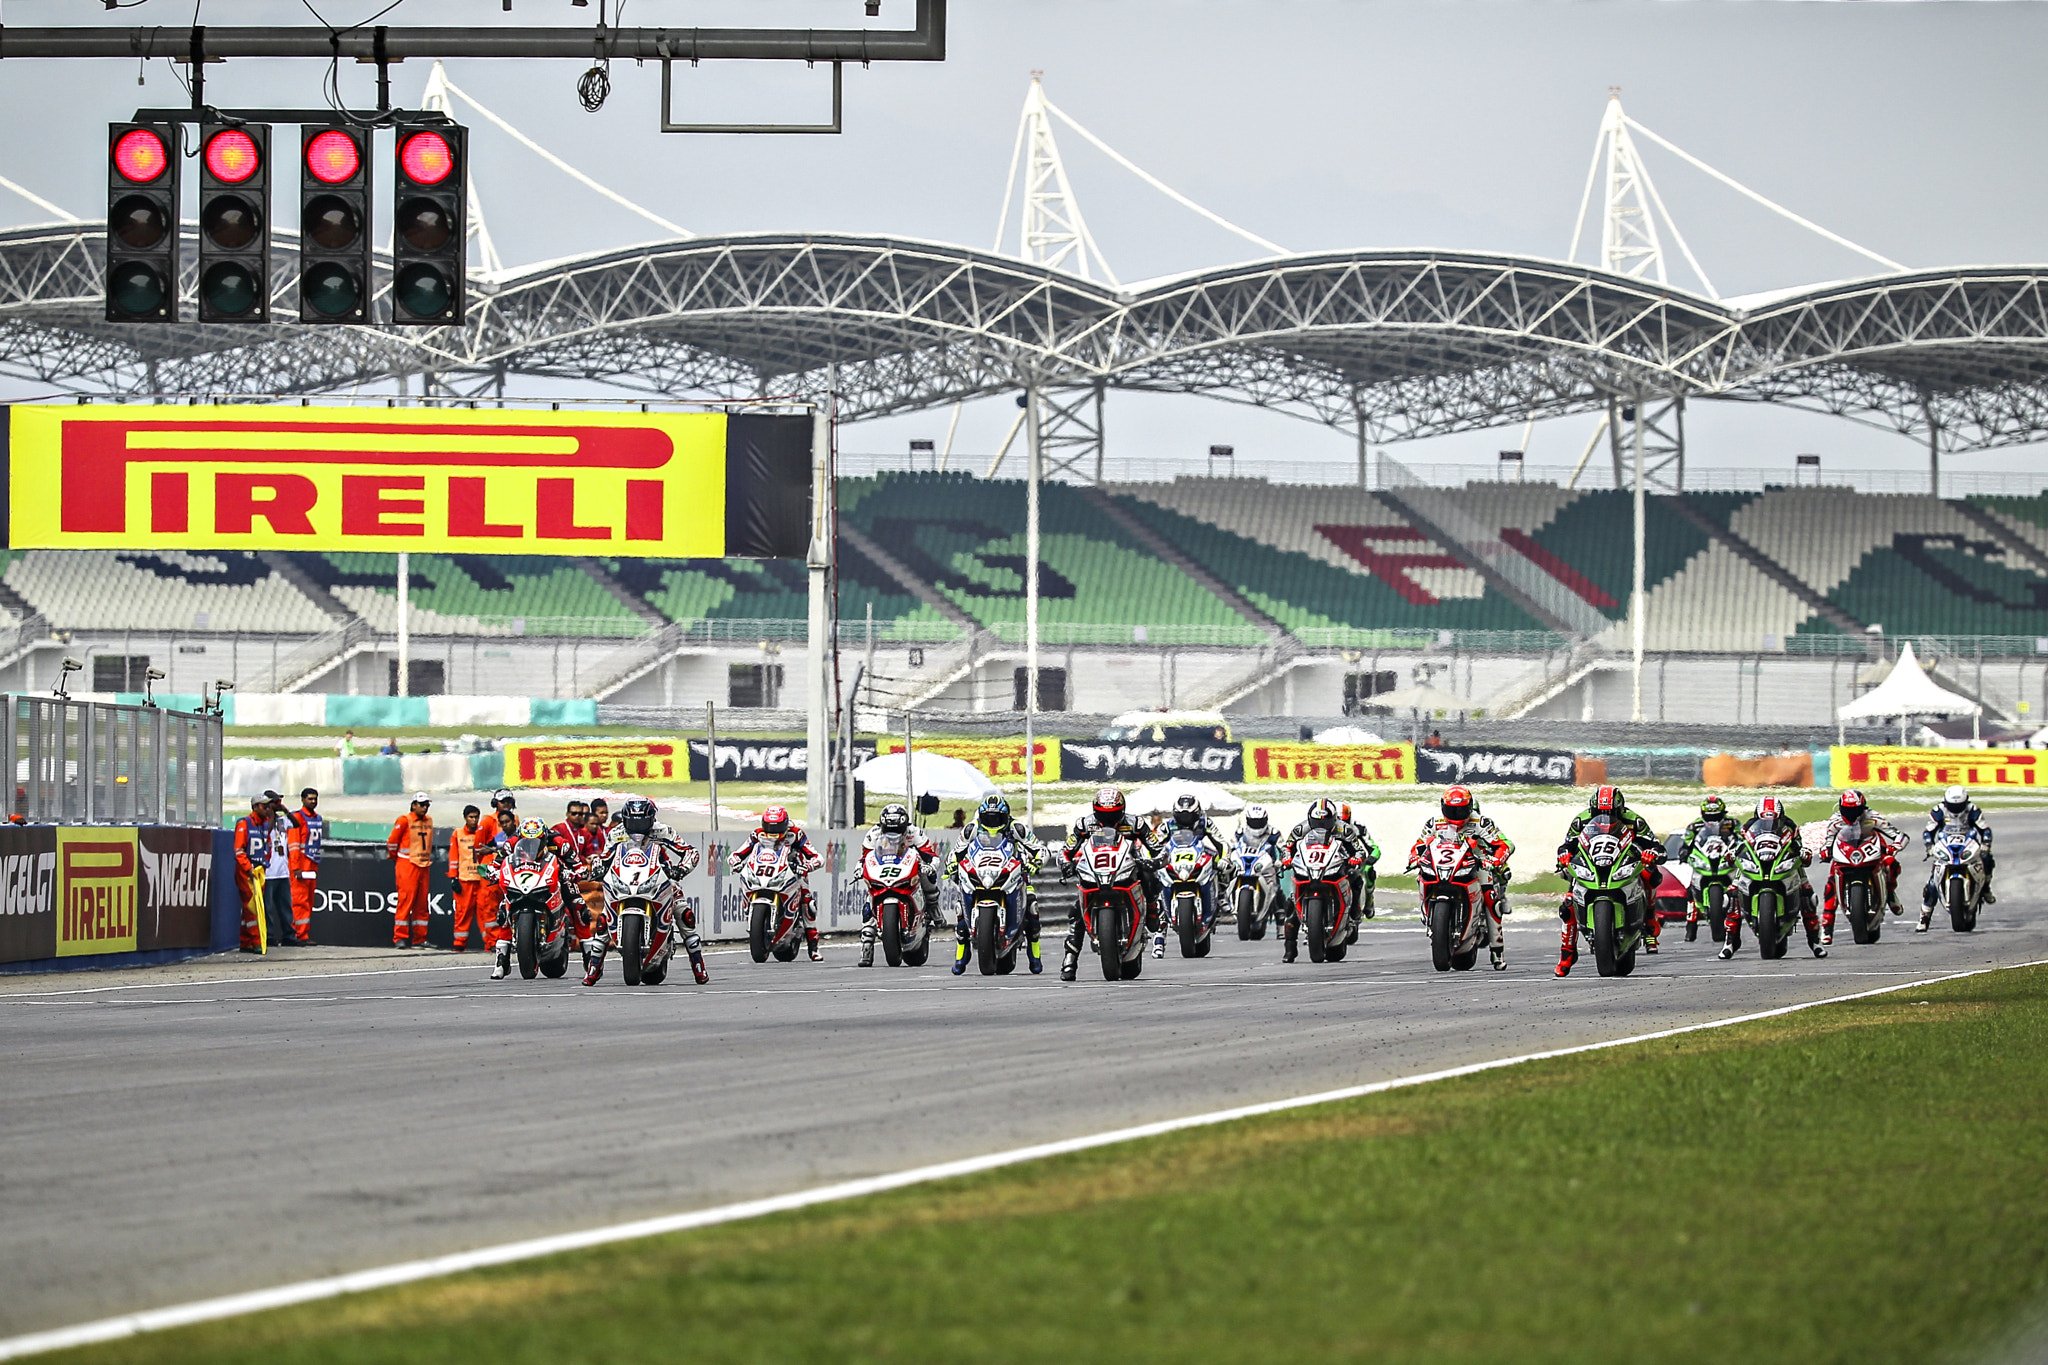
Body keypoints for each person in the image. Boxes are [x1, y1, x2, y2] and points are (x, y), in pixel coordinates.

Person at [585, 797, 706, 986]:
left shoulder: (663, 830)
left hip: (659, 875)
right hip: (625, 878)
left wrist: (681, 869)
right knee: (603, 920)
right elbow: (604, 857)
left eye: (641, 821)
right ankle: (594, 969)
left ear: (651, 819)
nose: (637, 826)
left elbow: (690, 852)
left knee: (684, 914)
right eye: (632, 821)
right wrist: (598, 868)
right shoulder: (616, 833)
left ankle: (698, 966)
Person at [1554, 786, 1663, 977]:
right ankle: (1567, 953)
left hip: (1624, 859)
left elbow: (1654, 843)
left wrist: (1651, 853)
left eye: (1610, 812)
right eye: (1600, 812)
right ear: (1592, 809)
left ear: (1620, 809)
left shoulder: (1634, 820)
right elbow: (1567, 844)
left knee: (1649, 874)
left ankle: (1650, 918)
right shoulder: (1581, 820)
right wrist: (1564, 855)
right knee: (1568, 904)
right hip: (1592, 862)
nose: (1605, 816)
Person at [1056, 787, 1161, 981]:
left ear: (1121, 810)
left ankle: (1153, 908)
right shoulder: (1084, 824)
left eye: (1113, 814)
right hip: (1096, 870)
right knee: (1076, 911)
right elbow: (1066, 850)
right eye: (1104, 814)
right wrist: (1066, 864)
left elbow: (1157, 847)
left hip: (1128, 866)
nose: (1109, 818)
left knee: (1149, 875)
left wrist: (1154, 860)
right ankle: (1070, 959)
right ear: (1096, 811)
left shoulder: (1136, 822)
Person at [1407, 785, 1507, 969]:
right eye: (1451, 809)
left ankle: (1497, 951)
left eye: (1461, 809)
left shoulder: (1481, 822)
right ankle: (1428, 915)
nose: (1456, 813)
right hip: (1444, 865)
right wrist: (1414, 857)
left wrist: (1495, 860)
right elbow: (1419, 844)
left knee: (1491, 897)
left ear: (1469, 807)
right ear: (1443, 807)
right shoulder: (1434, 823)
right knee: (1421, 877)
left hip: (1476, 865)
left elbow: (1505, 844)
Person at [947, 794, 1047, 973]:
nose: (992, 821)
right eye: (988, 817)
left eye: (997, 817)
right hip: (981, 872)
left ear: (1006, 816)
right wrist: (952, 864)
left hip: (1014, 874)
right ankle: (962, 953)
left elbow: (1040, 849)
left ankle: (1035, 956)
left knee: (1032, 905)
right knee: (960, 907)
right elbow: (956, 851)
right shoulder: (972, 828)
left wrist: (1036, 863)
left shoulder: (1016, 827)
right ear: (981, 815)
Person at [1717, 795, 1824, 960]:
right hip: (1756, 861)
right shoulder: (1748, 827)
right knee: (1732, 893)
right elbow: (1740, 845)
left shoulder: (1790, 826)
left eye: (1773, 819)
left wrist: (1802, 852)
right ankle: (1731, 941)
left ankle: (1815, 942)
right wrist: (1732, 853)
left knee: (1807, 894)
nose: (1769, 823)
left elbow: (1798, 844)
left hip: (1782, 862)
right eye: (1765, 819)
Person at [1274, 798, 1369, 964]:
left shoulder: (1345, 829)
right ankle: (1290, 947)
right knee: (1290, 902)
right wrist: (1286, 858)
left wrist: (1355, 859)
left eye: (1325, 821)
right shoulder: (1300, 829)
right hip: (1309, 866)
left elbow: (1359, 850)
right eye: (1317, 821)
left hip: (1338, 864)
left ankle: (1354, 914)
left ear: (1333, 819)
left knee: (1356, 879)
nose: (1321, 825)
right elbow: (1286, 847)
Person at [729, 805, 825, 960]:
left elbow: (816, 856)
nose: (773, 831)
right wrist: (735, 861)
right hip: (765, 871)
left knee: (808, 903)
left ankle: (813, 948)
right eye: (769, 826)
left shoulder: (796, 834)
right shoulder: (757, 834)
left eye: (777, 826)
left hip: (792, 870)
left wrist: (807, 866)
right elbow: (739, 852)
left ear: (785, 824)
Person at [1817, 788, 1907, 942]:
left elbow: (1899, 835)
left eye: (1855, 810)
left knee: (1891, 863)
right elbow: (1829, 841)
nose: (1851, 814)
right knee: (1832, 879)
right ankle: (1827, 927)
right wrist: (1825, 851)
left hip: (1870, 850)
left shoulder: (1873, 817)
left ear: (1862, 808)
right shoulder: (1835, 821)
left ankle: (1890, 892)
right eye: (1847, 810)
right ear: (1841, 808)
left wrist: (1895, 847)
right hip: (1847, 852)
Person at [858, 802, 941, 968]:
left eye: (897, 830)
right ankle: (867, 945)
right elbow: (866, 858)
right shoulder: (873, 834)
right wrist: (859, 868)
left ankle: (933, 907)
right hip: (885, 869)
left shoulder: (915, 832)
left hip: (909, 866)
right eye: (888, 830)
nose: (893, 834)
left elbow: (931, 855)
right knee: (870, 894)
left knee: (927, 876)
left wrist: (930, 865)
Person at [1149, 793, 1227, 958]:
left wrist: (1224, 859)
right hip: (1175, 857)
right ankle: (1159, 938)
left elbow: (1222, 842)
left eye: (1189, 815)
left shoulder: (1206, 822)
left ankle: (1221, 894)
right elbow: (1153, 845)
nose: (1185, 819)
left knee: (1226, 866)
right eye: (1182, 815)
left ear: (1197, 813)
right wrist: (1151, 861)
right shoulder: (1167, 826)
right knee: (1154, 885)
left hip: (1198, 854)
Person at [1920, 784, 1995, 931]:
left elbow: (1985, 830)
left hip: (1967, 844)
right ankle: (1924, 917)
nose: (1956, 810)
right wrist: (1930, 847)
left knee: (1987, 859)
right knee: (1933, 881)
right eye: (1953, 806)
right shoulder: (1939, 811)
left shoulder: (1973, 810)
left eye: (1959, 805)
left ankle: (1985, 887)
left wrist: (1986, 844)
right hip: (1946, 846)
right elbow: (1928, 832)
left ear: (1965, 802)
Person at [553, 799, 608, 974]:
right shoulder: (557, 830)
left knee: (580, 910)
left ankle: (589, 959)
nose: (579, 817)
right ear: (568, 814)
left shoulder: (586, 832)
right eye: (575, 814)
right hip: (554, 875)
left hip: (574, 878)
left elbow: (587, 852)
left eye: (581, 814)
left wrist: (587, 861)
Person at [1675, 795, 1740, 938]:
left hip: (1725, 857)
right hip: (1705, 858)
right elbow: (1687, 842)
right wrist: (1684, 851)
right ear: (1703, 814)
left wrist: (1741, 848)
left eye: (1717, 816)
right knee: (1690, 890)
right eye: (1710, 817)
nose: (1713, 820)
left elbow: (1742, 838)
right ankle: (1691, 926)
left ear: (1723, 813)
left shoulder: (1732, 823)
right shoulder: (1695, 826)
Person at [386, 792, 435, 949]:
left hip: (424, 865)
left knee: (422, 905)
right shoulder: (404, 820)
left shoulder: (429, 820)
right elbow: (392, 843)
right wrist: (399, 859)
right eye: (422, 804)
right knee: (405, 902)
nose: (425, 807)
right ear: (413, 805)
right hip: (407, 864)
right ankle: (399, 937)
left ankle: (420, 938)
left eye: (427, 804)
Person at [232, 793, 277, 954]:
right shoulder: (244, 823)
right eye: (264, 806)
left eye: (268, 806)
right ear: (255, 807)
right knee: (253, 907)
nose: (267, 809)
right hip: (247, 872)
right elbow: (238, 850)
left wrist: (264, 864)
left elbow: (268, 846)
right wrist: (248, 868)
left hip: (259, 872)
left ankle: (246, 941)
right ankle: (257, 941)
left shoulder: (265, 824)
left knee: (251, 907)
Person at [449, 805, 494, 953]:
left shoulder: (483, 833)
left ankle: (490, 943)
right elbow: (454, 858)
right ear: (465, 818)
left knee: (485, 913)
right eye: (471, 817)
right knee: (462, 913)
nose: (474, 820)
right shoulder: (458, 833)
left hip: (481, 879)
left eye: (476, 817)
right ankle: (459, 943)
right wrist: (453, 877)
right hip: (465, 879)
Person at [282, 788, 323, 946]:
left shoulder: (318, 818)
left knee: (309, 901)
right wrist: (296, 867)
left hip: (313, 863)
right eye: (310, 799)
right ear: (303, 800)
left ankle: (303, 933)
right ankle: (298, 935)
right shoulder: (297, 818)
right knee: (299, 901)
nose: (313, 801)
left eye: (315, 799)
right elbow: (293, 845)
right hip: (301, 864)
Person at [263, 803, 295, 947]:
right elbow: (265, 833)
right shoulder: (262, 820)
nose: (278, 804)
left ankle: (289, 935)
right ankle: (268, 935)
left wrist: (286, 810)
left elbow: (297, 823)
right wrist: (270, 816)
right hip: (268, 872)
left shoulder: (282, 820)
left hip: (282, 871)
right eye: (275, 802)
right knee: (267, 907)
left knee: (285, 906)